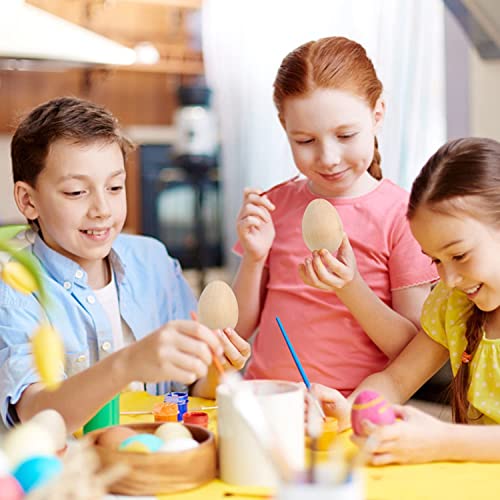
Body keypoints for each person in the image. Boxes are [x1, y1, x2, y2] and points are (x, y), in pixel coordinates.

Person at [0, 96, 250, 432]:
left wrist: (219, 370)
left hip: (160, 454)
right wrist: (127, 364)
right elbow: (35, 413)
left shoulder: (153, 262)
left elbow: (193, 387)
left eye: (115, 187)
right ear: (28, 200)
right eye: (76, 192)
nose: (102, 209)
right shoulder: (13, 286)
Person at [233, 36, 437, 393]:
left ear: (377, 114)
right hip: (265, 398)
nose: (328, 158)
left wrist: (349, 287)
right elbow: (236, 331)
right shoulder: (275, 206)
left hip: (349, 409)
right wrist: (254, 258)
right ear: (284, 126)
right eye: (305, 141)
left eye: (345, 135)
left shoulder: (404, 217)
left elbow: (411, 352)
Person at [312, 137, 500, 464]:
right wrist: (351, 409)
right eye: (436, 260)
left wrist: (443, 442)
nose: (449, 279)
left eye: (459, 255)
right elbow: (396, 380)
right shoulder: (452, 303)